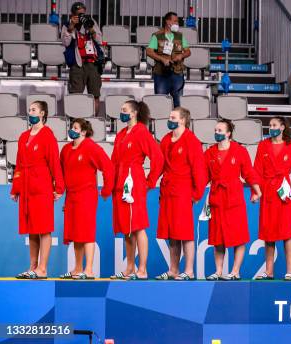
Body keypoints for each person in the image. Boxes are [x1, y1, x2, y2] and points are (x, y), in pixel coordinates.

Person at [110, 100, 164, 280]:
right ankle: (130, 267)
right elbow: (113, 161)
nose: (122, 112)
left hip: (134, 181)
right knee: (127, 228)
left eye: (124, 110)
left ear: (134, 113)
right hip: (121, 183)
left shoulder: (142, 132)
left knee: (138, 226)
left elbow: (157, 158)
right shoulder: (121, 134)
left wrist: (150, 181)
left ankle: (142, 269)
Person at [253, 116, 291, 281]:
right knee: (268, 235)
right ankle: (269, 271)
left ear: (283, 127)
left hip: (284, 195)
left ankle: (290, 271)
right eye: (269, 125)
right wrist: (255, 192)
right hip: (268, 194)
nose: (271, 128)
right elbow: (256, 170)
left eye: (274, 125)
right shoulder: (263, 145)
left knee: (287, 233)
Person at [11, 101, 64, 279]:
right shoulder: (23, 136)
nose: (30, 112)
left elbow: (55, 163)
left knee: (44, 228)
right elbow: (18, 164)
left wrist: (59, 187)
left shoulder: (48, 135)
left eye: (33, 110)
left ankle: (43, 268)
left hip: (42, 185)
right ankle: (33, 266)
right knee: (31, 228)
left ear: (42, 113)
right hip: (26, 186)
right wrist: (15, 188)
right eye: (29, 110)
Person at [204, 119, 262, 281]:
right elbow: (203, 176)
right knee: (217, 237)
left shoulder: (239, 151)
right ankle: (218, 271)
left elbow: (248, 172)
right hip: (216, 197)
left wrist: (256, 190)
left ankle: (235, 271)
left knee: (238, 236)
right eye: (216, 130)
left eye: (220, 130)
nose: (217, 132)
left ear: (229, 133)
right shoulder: (209, 153)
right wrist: (196, 193)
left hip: (234, 197)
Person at [156, 107, 207, 281]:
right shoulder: (165, 140)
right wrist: (149, 181)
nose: (169, 119)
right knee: (172, 233)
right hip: (168, 191)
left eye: (173, 117)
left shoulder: (191, 141)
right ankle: (173, 270)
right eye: (169, 116)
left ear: (183, 120)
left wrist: (197, 194)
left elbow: (199, 170)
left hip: (183, 191)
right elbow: (159, 165)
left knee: (185, 232)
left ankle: (189, 270)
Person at [59, 119, 114, 280]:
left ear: (83, 132)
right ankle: (77, 269)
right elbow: (62, 174)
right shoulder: (66, 150)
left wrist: (106, 190)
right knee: (75, 233)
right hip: (71, 196)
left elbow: (108, 167)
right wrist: (62, 195)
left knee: (86, 232)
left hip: (86, 195)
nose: (72, 130)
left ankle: (89, 270)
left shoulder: (91, 147)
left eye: (75, 128)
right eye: (71, 127)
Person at [60, 1, 103, 115]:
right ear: (72, 14)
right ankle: (76, 121)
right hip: (77, 65)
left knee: (95, 95)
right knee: (75, 95)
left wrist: (91, 29)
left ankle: (94, 120)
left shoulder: (91, 22)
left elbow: (99, 40)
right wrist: (71, 28)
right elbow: (65, 42)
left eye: (83, 14)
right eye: (78, 14)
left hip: (93, 64)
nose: (81, 17)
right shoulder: (67, 24)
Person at [146, 12, 191, 107]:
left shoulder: (180, 36)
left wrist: (181, 56)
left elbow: (188, 52)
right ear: (167, 21)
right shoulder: (157, 36)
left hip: (177, 73)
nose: (177, 23)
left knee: (178, 103)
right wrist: (162, 59)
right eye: (175, 21)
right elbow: (149, 51)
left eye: (177, 21)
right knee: (161, 103)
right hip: (161, 74)